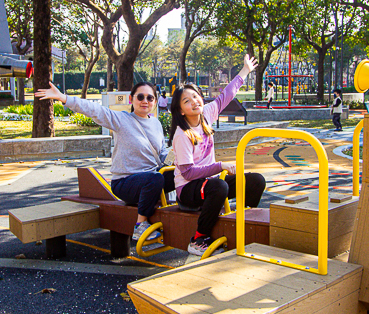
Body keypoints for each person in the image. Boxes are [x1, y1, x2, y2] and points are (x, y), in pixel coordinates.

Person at [34, 80, 172, 242]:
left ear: (155, 102)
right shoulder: (121, 119)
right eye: (140, 97)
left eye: (150, 98)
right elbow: (95, 110)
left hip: (151, 179)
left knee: (179, 172)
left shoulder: (156, 123)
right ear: (131, 99)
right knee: (155, 178)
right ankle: (140, 225)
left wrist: (176, 153)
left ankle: (188, 208)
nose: (145, 101)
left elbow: (162, 153)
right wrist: (64, 98)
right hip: (126, 182)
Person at [170, 55, 267, 256]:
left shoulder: (207, 115)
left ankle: (242, 222)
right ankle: (198, 238)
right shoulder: (182, 134)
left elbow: (227, 95)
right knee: (219, 186)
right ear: (181, 110)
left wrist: (245, 71)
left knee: (256, 181)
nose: (194, 102)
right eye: (187, 101)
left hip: (210, 184)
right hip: (188, 190)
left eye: (195, 97)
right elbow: (187, 173)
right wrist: (220, 165)